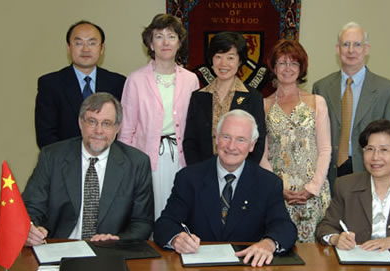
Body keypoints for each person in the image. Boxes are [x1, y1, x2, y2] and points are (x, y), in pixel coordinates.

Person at [155, 110, 297, 267]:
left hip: (249, 270)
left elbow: (285, 227)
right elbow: (165, 224)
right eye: (226, 137)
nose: (231, 146)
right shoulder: (189, 178)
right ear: (216, 138)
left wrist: (269, 244)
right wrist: (177, 238)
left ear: (252, 145)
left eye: (241, 140)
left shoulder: (269, 183)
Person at [24, 92, 154, 246]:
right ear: (80, 123)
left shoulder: (137, 163)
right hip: (58, 247)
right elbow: (31, 207)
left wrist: (118, 240)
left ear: (117, 127)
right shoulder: (52, 157)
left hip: (109, 253)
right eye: (92, 121)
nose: (98, 131)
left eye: (106, 123)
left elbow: (143, 223)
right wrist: (31, 229)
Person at [118, 14, 199, 220]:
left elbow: (195, 124)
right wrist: (126, 165)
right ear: (150, 44)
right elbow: (126, 129)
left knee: (181, 210)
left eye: (171, 36)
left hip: (181, 158)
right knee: (149, 212)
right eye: (159, 36)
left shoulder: (191, 80)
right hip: (147, 158)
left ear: (179, 43)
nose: (165, 42)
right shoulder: (135, 79)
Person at [312, 22, 390, 191]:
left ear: (366, 49)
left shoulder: (388, 91)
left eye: (357, 44)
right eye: (346, 44)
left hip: (370, 172)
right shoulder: (321, 87)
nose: (351, 50)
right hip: (330, 172)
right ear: (338, 49)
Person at [316, 119, 390, 251]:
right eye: (370, 149)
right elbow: (325, 227)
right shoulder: (346, 185)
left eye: (384, 150)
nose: (375, 157)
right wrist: (336, 238)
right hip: (358, 262)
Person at [260, 40, 331, 242]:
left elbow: (325, 149)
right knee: (279, 248)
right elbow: (262, 154)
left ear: (301, 68)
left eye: (293, 63)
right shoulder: (263, 105)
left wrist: (312, 187)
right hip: (278, 191)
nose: (288, 69)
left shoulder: (317, 102)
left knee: (317, 256)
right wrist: (277, 188)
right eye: (282, 63)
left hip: (312, 190)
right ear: (274, 67)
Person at [35, 20, 126, 149]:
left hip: (109, 161)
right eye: (78, 43)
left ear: (101, 49)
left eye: (92, 43)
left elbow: (123, 130)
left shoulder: (118, 82)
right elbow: (46, 135)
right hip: (65, 163)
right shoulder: (50, 84)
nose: (85, 49)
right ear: (68, 47)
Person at [183, 31, 266, 165]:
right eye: (218, 57)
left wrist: (242, 174)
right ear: (211, 59)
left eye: (230, 58)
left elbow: (258, 141)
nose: (223, 64)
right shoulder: (198, 96)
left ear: (240, 61)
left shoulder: (253, 97)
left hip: (240, 175)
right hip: (203, 174)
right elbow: (190, 141)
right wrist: (198, 173)